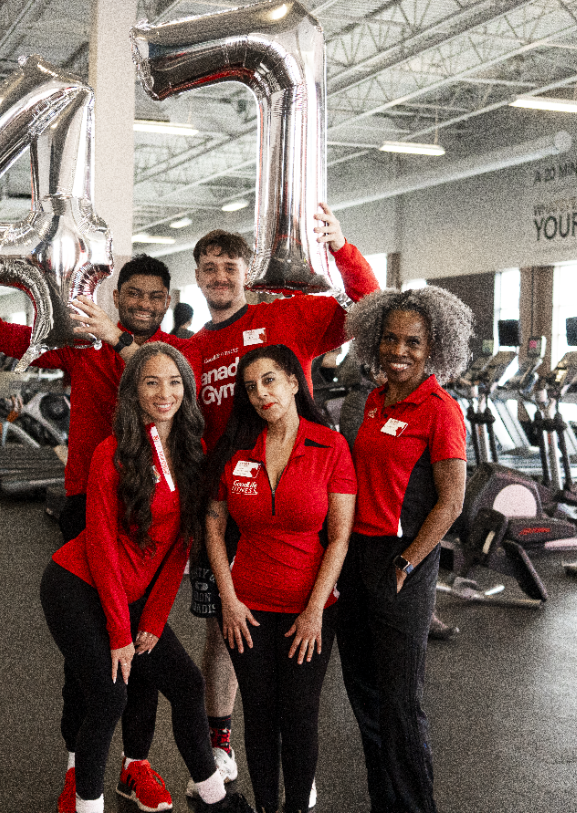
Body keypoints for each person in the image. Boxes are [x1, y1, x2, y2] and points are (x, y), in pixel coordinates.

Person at [0, 255, 185, 813]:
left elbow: (160, 381)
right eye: (134, 295)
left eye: (155, 297)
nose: (144, 305)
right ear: (117, 296)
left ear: (166, 302)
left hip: (152, 517)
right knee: (92, 650)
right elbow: (4, 334)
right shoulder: (82, 342)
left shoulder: (174, 358)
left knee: (144, 646)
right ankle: (80, 768)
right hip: (90, 507)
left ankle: (136, 765)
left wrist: (116, 338)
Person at [179, 202, 379, 784]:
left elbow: (366, 309)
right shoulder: (190, 352)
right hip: (227, 499)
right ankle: (222, 743)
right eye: (209, 267)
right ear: (197, 276)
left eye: (229, 266)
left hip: (297, 493)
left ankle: (298, 757)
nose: (219, 276)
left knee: (300, 616)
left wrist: (341, 247)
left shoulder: (291, 317)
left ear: (246, 272)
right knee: (221, 628)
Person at [40, 343, 255, 813]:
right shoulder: (111, 453)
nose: (165, 393)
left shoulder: (191, 452)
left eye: (175, 382)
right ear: (133, 392)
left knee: (185, 683)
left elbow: (178, 549)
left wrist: (153, 622)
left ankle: (215, 797)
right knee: (109, 696)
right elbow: (100, 547)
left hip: (132, 595)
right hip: (77, 585)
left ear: (188, 390)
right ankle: (87, 805)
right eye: (151, 382)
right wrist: (121, 634)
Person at [337, 287, 472, 813]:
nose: (399, 350)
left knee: (400, 702)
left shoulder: (440, 410)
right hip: (355, 559)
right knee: (364, 695)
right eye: (389, 338)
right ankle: (384, 803)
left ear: (433, 346)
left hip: (401, 561)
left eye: (412, 342)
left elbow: (452, 502)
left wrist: (409, 562)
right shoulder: (372, 399)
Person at [205, 344, 355, 813]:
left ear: (294, 381)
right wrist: (227, 601)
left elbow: (339, 538)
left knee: (300, 715)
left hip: (307, 611)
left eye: (269, 380)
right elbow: (212, 526)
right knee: (260, 714)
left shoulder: (330, 446)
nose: (260, 394)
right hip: (246, 608)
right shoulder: (236, 450)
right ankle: (268, 806)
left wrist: (314, 611)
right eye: (250, 387)